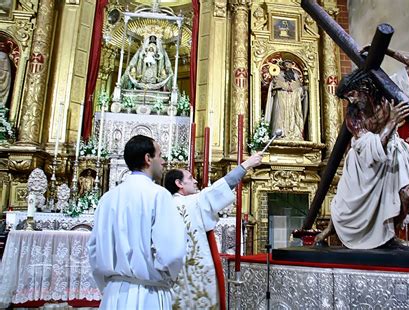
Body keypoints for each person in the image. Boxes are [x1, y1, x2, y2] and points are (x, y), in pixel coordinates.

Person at [315, 48, 409, 249]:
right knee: (348, 204)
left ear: (363, 86)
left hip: (392, 151)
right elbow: (369, 147)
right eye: (347, 98)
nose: (351, 101)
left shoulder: (386, 92)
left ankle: (392, 234)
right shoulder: (354, 117)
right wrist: (391, 122)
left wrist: (386, 51)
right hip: (363, 158)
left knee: (408, 194)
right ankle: (331, 229)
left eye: (353, 95)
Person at [88, 135, 186, 309]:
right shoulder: (159, 194)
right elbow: (173, 253)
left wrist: (110, 286)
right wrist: (169, 278)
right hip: (150, 294)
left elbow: (94, 251)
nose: (163, 161)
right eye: (160, 156)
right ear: (148, 159)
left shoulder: (107, 198)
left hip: (114, 295)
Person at [164, 152, 263, 309]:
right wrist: (247, 164)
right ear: (179, 183)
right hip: (196, 276)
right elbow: (223, 186)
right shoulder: (191, 203)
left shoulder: (164, 204)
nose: (195, 181)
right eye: (190, 178)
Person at [264, 60, 308, 140]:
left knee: (294, 117)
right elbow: (274, 88)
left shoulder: (296, 75)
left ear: (292, 65)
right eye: (285, 64)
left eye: (288, 64)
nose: (287, 65)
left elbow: (300, 89)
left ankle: (295, 133)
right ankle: (280, 133)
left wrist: (297, 90)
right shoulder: (279, 74)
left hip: (293, 102)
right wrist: (280, 85)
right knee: (280, 115)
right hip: (282, 99)